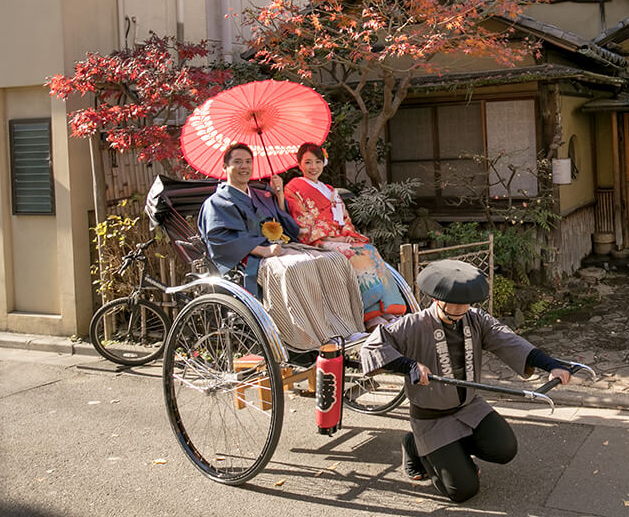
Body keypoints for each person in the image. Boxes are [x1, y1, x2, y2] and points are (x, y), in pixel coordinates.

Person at [360, 259, 573, 503]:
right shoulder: (413, 324)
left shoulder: (475, 319)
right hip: (432, 418)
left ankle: (451, 453)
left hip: (470, 408)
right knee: (463, 490)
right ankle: (416, 446)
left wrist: (552, 365)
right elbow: (372, 347)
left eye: (466, 306)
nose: (461, 312)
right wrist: (409, 365)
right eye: (455, 307)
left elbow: (509, 340)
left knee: (505, 449)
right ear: (438, 299)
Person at [197, 143, 365, 350]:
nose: (244, 167)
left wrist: (279, 195)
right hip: (252, 259)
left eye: (248, 162)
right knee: (295, 268)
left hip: (283, 248)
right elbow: (220, 239)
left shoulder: (260, 195)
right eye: (237, 162)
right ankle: (315, 338)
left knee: (334, 260)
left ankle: (347, 329)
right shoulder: (216, 202)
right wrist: (263, 250)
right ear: (224, 167)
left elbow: (288, 226)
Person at [283, 142, 407, 329]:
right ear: (299, 164)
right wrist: (332, 238)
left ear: (323, 163)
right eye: (307, 162)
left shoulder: (330, 190)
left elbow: (344, 217)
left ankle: (388, 309)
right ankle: (369, 314)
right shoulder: (293, 188)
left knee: (369, 250)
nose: (313, 167)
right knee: (353, 254)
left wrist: (347, 234)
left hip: (339, 238)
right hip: (319, 240)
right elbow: (302, 219)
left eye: (317, 161)